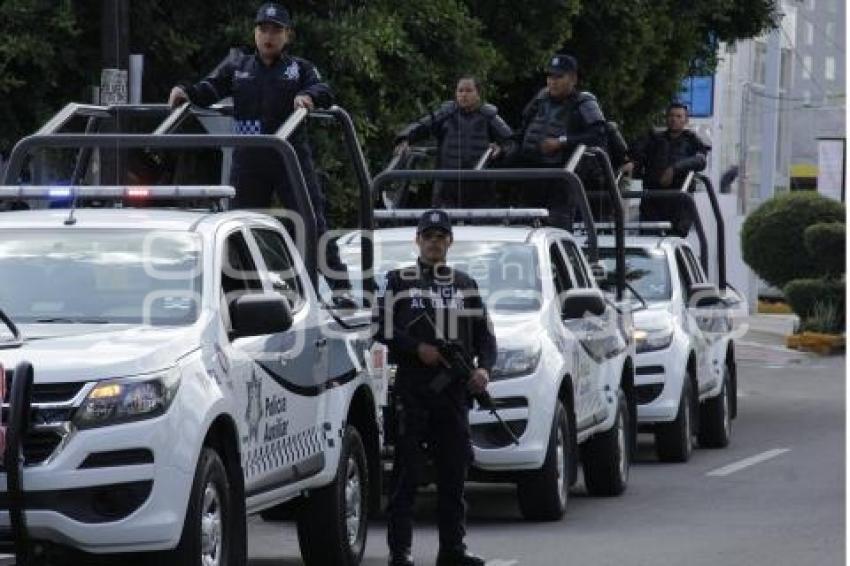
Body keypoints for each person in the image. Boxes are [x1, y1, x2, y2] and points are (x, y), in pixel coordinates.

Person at [168, 2, 350, 292]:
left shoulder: (299, 67)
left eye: (276, 30)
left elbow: (324, 90)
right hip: (249, 159)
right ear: (255, 33)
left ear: (286, 35)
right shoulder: (238, 66)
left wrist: (308, 96)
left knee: (312, 222)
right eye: (263, 29)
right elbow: (209, 89)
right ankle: (235, 291)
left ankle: (340, 290)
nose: (269, 36)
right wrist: (185, 92)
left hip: (289, 156)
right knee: (237, 227)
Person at [375, 209, 496, 566]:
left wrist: (484, 371)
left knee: (454, 474)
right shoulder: (397, 281)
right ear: (418, 240)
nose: (434, 242)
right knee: (407, 475)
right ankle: (401, 553)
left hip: (454, 394)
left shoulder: (464, 284)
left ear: (450, 242)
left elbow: (486, 338)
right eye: (428, 236)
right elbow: (379, 326)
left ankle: (453, 550)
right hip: (413, 392)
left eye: (441, 237)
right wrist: (417, 349)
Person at [514, 53, 608, 230]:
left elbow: (598, 135)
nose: (552, 81)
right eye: (550, 76)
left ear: (573, 78)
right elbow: (522, 130)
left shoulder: (583, 102)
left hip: (561, 178)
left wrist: (561, 142)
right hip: (532, 174)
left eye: (559, 76)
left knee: (557, 228)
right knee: (524, 227)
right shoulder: (540, 100)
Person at [394, 76, 514, 207]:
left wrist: (500, 149)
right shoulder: (446, 114)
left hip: (480, 188)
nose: (464, 95)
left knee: (479, 224)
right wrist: (405, 138)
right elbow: (423, 125)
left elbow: (511, 142)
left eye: (468, 91)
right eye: (460, 91)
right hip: (446, 187)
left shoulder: (488, 116)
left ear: (478, 94)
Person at [622, 102, 710, 236]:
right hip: (653, 201)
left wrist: (674, 169)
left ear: (685, 120)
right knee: (648, 240)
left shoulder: (692, 141)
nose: (674, 119)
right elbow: (638, 157)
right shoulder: (654, 140)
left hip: (678, 202)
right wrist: (632, 164)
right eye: (671, 116)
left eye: (679, 116)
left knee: (674, 240)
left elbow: (701, 160)